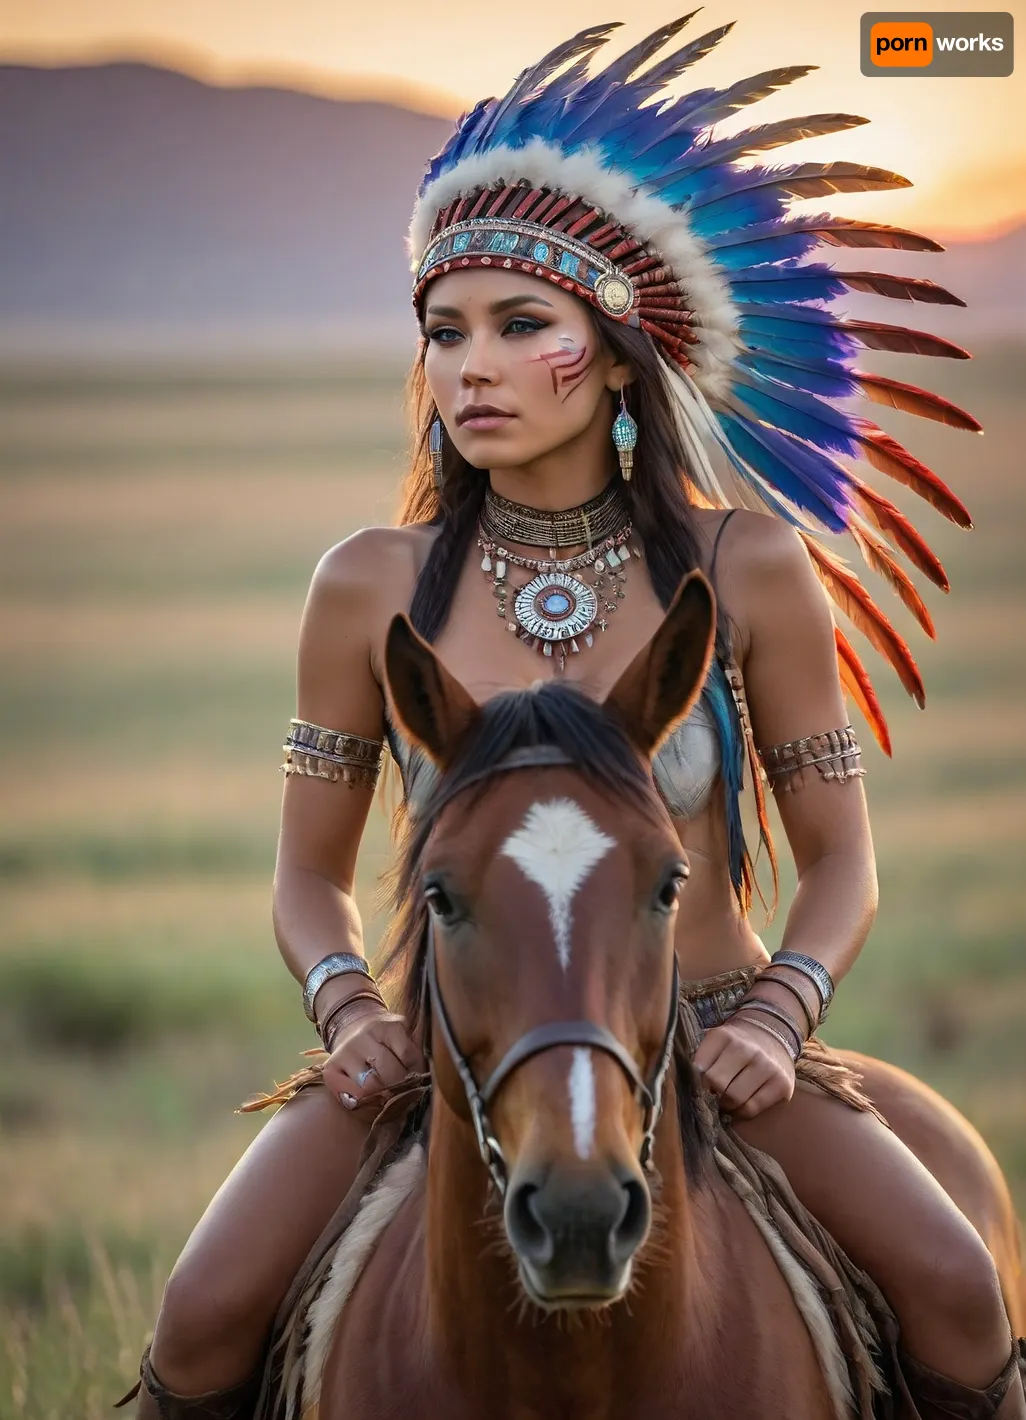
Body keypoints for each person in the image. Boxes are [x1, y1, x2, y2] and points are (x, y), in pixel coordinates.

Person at [124, 19, 1025, 1420]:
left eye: (518, 327)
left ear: (614, 360)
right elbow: (307, 878)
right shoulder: (367, 584)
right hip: (437, 1051)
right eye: (443, 333)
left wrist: (777, 1018)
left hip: (716, 1033)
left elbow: (842, 861)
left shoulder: (747, 567)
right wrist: (350, 1011)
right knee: (198, 1324)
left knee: (962, 1297)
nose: (467, 369)